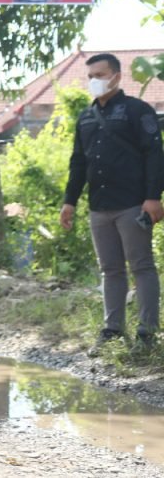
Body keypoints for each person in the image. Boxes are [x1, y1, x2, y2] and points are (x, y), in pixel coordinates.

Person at [60, 53, 164, 353]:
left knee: (142, 266)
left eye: (100, 74)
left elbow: (154, 155)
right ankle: (113, 330)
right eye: (90, 76)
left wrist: (153, 197)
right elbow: (78, 161)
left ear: (117, 76)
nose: (95, 81)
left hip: (133, 203)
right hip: (99, 206)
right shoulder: (86, 117)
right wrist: (70, 201)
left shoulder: (137, 110)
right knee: (110, 270)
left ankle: (147, 333)